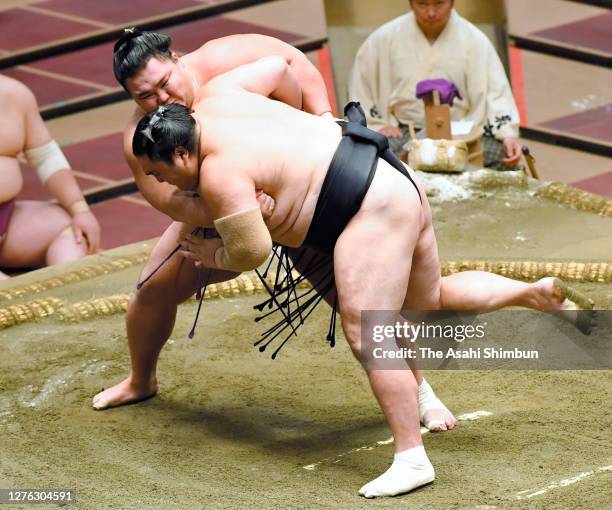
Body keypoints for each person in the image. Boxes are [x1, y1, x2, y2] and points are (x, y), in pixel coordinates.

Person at [129, 57, 591, 497]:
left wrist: (215, 250)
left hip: (364, 208)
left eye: (162, 172)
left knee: (369, 330)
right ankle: (533, 294)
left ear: (180, 151)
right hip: (391, 171)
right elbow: (279, 69)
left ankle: (412, 458)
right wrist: (320, 121)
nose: (166, 183)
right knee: (424, 303)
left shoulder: (218, 174)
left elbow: (253, 251)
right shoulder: (218, 95)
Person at [94, 29, 458, 434]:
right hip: (218, 212)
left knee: (360, 306)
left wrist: (322, 119)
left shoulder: (224, 59)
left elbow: (294, 67)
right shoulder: (141, 139)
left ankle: (421, 390)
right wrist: (237, 207)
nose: (161, 99)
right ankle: (141, 380)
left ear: (176, 59)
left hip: (308, 197)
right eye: (146, 96)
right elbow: (166, 198)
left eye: (165, 83)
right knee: (151, 290)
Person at [349, 0, 522, 170]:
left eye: (439, 3)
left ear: (452, 2)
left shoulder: (475, 40)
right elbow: (362, 89)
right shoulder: (384, 38)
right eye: (422, 4)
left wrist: (507, 135)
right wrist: (379, 125)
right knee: (377, 156)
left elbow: (496, 91)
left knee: (500, 156)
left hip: (461, 132)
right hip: (405, 131)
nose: (431, 12)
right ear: (411, 3)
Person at [0, 75, 101, 279]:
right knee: (7, 292)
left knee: (72, 231)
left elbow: (46, 157)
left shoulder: (15, 94)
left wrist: (79, 208)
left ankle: (69, 288)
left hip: (5, 221)